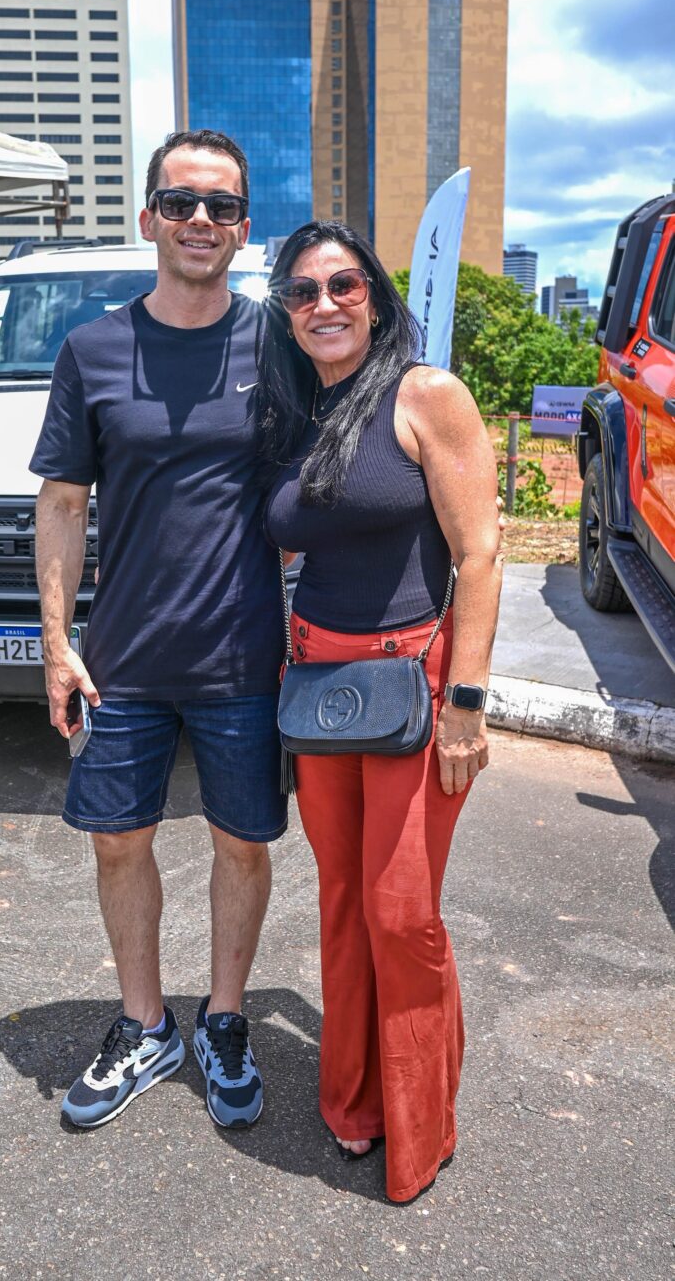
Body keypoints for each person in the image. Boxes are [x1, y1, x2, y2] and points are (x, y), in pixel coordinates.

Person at [30, 130, 286, 1131]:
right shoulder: (92, 348)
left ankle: (223, 1017)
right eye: (179, 202)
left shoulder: (276, 340)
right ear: (147, 216)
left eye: (220, 206)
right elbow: (59, 502)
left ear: (241, 227)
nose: (198, 222)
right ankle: (146, 1024)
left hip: (242, 655)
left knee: (242, 842)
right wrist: (57, 642)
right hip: (124, 656)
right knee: (116, 842)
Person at [258, 220, 502, 1203]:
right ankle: (352, 1100)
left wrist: (466, 707)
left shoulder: (424, 394)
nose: (323, 303)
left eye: (341, 284)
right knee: (342, 903)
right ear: (284, 310)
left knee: (402, 916)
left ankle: (419, 1121)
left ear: (375, 293)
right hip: (315, 686)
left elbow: (479, 553)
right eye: (303, 291)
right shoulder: (290, 410)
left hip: (411, 687)